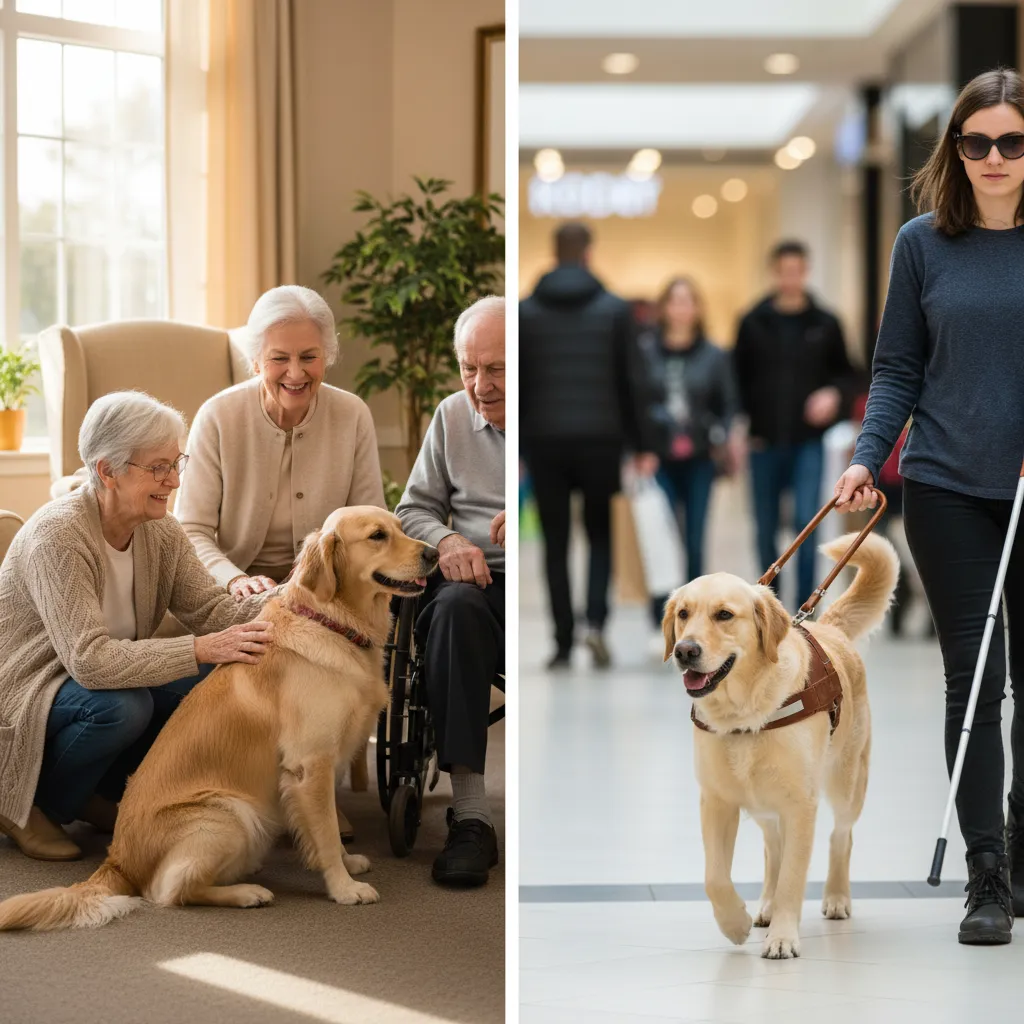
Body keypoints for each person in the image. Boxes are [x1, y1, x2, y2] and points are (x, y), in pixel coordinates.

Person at [833, 68, 1024, 947]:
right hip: (946, 485)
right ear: (955, 148)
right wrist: (868, 458)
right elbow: (897, 368)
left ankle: (1020, 841)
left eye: (1011, 141)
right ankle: (985, 870)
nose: (994, 157)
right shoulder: (922, 243)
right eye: (976, 141)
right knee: (975, 681)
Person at [0, 392, 273, 861]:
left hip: (97, 677)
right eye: (158, 467)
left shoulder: (159, 528)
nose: (174, 480)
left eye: (176, 462)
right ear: (107, 471)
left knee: (228, 675)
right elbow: (90, 662)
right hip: (32, 685)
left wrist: (295, 598)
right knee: (124, 708)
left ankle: (94, 788)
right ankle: (28, 804)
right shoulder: (58, 536)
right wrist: (203, 648)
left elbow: (211, 610)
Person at [175, 284, 385, 839]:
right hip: (231, 587)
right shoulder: (218, 416)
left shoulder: (353, 415)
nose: (296, 372)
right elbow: (190, 529)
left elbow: (372, 520)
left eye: (310, 357)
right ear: (255, 360)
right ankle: (261, 786)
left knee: (326, 652)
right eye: (280, 358)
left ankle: (312, 783)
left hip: (324, 590)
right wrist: (235, 578)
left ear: (328, 356)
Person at [396, 295, 505, 888]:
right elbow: (411, 508)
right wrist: (446, 543)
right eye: (469, 368)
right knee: (455, 608)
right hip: (472, 585)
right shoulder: (450, 417)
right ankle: (470, 816)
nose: (479, 386)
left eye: (496, 369)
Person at [520, 222, 664, 669]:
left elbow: (521, 385)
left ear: (554, 252)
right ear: (587, 254)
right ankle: (596, 626)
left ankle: (562, 640)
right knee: (600, 534)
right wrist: (642, 443)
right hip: (602, 438)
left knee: (555, 541)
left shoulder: (526, 312)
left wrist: (520, 448)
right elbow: (633, 381)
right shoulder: (616, 309)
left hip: (545, 441)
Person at [734, 240, 860, 610]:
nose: (790, 278)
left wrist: (832, 395)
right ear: (774, 272)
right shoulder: (752, 322)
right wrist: (740, 430)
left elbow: (850, 375)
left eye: (797, 271)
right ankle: (766, 605)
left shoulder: (825, 323)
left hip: (809, 442)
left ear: (805, 271)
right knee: (765, 526)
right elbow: (736, 381)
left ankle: (807, 605)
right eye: (783, 271)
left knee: (807, 521)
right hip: (763, 441)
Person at [638, 276, 742, 640]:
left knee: (695, 536)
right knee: (661, 537)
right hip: (658, 459)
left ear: (697, 308)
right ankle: (661, 620)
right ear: (664, 307)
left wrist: (718, 433)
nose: (682, 308)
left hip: (699, 458)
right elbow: (638, 401)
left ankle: (697, 623)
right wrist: (643, 444)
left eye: (688, 301)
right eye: (675, 301)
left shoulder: (714, 355)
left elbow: (729, 404)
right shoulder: (646, 351)